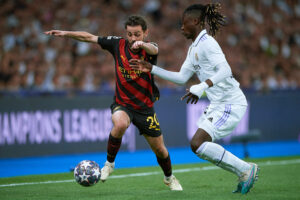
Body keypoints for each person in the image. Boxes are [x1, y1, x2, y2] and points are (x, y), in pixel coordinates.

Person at [129, 4, 259, 194]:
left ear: (196, 21)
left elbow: (226, 71)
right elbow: (182, 77)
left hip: (231, 103)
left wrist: (202, 85)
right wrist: (151, 68)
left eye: (184, 23)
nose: (181, 27)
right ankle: (244, 171)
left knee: (197, 144)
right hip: (219, 104)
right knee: (197, 146)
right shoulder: (194, 48)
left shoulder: (207, 43)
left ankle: (246, 169)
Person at [44, 15, 183, 191]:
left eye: (137, 35)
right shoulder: (118, 44)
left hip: (145, 108)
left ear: (146, 33)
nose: (133, 38)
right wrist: (66, 33)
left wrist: (142, 45)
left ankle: (169, 178)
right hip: (122, 103)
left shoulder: (149, 48)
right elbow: (90, 37)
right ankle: (109, 164)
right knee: (120, 124)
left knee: (160, 150)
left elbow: (154, 49)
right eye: (130, 34)